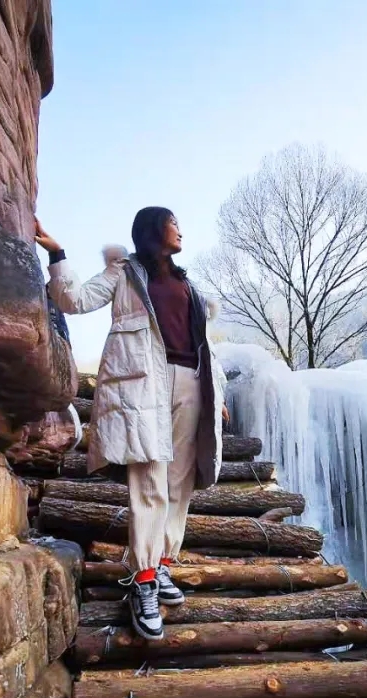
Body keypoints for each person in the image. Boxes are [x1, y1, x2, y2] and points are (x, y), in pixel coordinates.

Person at [35, 209, 229, 640]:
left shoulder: (188, 285)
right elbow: (74, 300)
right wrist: (57, 254)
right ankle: (142, 581)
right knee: (149, 481)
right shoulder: (124, 274)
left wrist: (218, 396)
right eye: (175, 222)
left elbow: (201, 344)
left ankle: (162, 566)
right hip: (144, 387)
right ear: (154, 230)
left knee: (180, 484)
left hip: (191, 386)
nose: (181, 229)